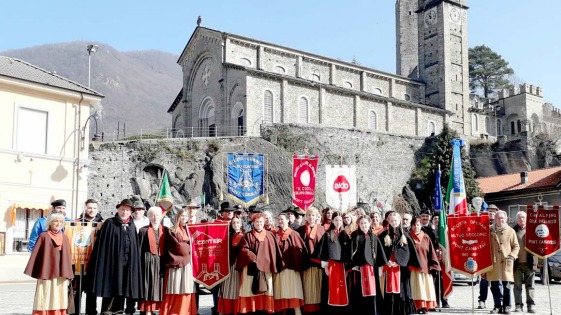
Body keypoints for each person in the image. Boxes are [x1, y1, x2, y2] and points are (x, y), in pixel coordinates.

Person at [87, 198, 142, 315]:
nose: (124, 212)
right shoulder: (110, 223)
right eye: (122, 209)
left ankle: (119, 309)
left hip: (127, 263)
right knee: (110, 284)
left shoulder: (132, 225)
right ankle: (107, 309)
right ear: (118, 209)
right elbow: (102, 246)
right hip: (111, 262)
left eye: (127, 210)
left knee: (123, 285)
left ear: (131, 212)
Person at [25, 212, 74, 315]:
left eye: (61, 221)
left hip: (61, 272)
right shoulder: (43, 236)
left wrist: (68, 271)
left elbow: (67, 256)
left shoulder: (64, 237)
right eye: (56, 221)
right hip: (46, 271)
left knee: (59, 293)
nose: (58, 223)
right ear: (50, 222)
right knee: (45, 293)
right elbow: (37, 255)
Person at [236, 213, 284, 314]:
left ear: (264, 223)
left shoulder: (270, 235)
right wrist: (255, 258)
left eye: (261, 222)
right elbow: (244, 250)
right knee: (249, 288)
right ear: (253, 223)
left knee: (267, 288)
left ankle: (266, 309)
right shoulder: (248, 235)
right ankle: (251, 309)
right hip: (251, 266)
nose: (259, 224)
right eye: (257, 222)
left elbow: (274, 250)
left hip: (267, 267)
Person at [379, 211, 421, 315]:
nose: (394, 222)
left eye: (396, 220)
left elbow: (408, 252)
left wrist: (399, 262)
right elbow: (380, 250)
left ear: (399, 221)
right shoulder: (383, 235)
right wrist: (386, 261)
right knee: (389, 293)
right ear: (389, 221)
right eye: (392, 221)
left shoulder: (405, 235)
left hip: (401, 268)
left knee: (402, 292)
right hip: (388, 267)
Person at [160, 207, 197, 315]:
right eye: (182, 216)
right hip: (176, 264)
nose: (184, 218)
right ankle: (172, 310)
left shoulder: (188, 230)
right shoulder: (171, 230)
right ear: (178, 217)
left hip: (187, 264)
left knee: (187, 286)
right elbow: (176, 247)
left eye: (186, 216)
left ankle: (185, 310)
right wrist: (190, 245)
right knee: (175, 286)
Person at [348, 215, 387, 315]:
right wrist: (352, 265)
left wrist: (379, 268)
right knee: (359, 292)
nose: (364, 225)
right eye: (361, 223)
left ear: (369, 224)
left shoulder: (374, 238)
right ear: (358, 225)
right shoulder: (355, 237)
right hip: (359, 270)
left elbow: (379, 255)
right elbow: (350, 253)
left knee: (374, 291)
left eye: (365, 223)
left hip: (372, 270)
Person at [313, 212, 351, 313]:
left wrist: (348, 269)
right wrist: (325, 266)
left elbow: (349, 254)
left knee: (342, 288)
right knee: (329, 289)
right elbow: (322, 251)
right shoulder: (327, 234)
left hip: (342, 267)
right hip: (331, 266)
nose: (338, 222)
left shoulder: (344, 235)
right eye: (336, 220)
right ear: (332, 221)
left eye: (340, 220)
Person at [72, 198, 104, 315]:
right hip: (79, 260)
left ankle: (91, 312)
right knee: (77, 291)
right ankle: (74, 312)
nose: (92, 210)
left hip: (94, 262)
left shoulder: (103, 224)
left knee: (92, 291)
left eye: (94, 208)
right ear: (85, 208)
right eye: (89, 207)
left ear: (98, 209)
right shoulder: (77, 222)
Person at [274, 213, 308, 315]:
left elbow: (301, 251)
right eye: (278, 219)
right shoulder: (275, 235)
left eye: (282, 219)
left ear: (288, 220)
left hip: (292, 269)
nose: (280, 221)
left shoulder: (294, 234)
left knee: (294, 293)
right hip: (280, 269)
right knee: (281, 293)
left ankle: (298, 312)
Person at [488, 210, 520, 314]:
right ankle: (497, 306)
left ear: (505, 219)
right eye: (498, 218)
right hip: (494, 262)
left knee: (507, 285)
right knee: (494, 285)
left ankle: (507, 306)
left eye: (502, 218)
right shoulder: (489, 230)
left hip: (506, 262)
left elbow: (516, 246)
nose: (500, 220)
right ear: (495, 219)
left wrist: (512, 256)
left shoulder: (511, 231)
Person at [138, 206, 167, 315]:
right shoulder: (143, 230)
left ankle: (158, 309)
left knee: (159, 287)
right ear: (149, 217)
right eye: (152, 215)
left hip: (161, 262)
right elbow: (139, 249)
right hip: (147, 262)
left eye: (157, 215)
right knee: (148, 287)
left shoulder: (165, 230)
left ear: (161, 216)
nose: (155, 218)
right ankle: (147, 310)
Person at [297, 207, 326, 314]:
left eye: (313, 215)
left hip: (318, 263)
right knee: (307, 287)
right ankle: (307, 309)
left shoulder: (321, 229)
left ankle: (318, 308)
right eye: (309, 215)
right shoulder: (301, 229)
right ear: (306, 216)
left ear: (316, 217)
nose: (311, 217)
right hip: (306, 264)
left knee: (318, 286)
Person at [409, 216, 440, 314]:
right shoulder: (408, 236)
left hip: (424, 266)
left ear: (420, 225)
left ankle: (424, 307)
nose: (416, 227)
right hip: (412, 268)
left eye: (417, 225)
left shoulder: (426, 237)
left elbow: (431, 252)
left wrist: (433, 265)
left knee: (424, 288)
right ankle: (415, 306)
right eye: (414, 225)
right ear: (411, 226)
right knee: (414, 288)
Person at [217, 217, 244, 315]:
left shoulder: (244, 236)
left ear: (241, 224)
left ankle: (237, 310)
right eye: (234, 223)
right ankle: (226, 310)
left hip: (240, 266)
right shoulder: (227, 236)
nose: (236, 225)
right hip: (229, 266)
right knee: (227, 289)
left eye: (237, 222)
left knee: (237, 290)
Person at [512, 211, 536, 313]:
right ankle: (518, 305)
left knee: (530, 286)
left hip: (530, 263)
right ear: (516, 219)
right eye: (519, 218)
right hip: (516, 263)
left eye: (523, 217)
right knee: (517, 286)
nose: (521, 219)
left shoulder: (533, 229)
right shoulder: (513, 230)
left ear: (526, 219)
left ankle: (531, 305)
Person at [479, 205, 501, 310]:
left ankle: (499, 301)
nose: (491, 213)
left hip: (496, 257)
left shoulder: (500, 225)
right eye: (489, 212)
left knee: (497, 281)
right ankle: (482, 300)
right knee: (484, 281)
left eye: (493, 212)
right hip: (484, 256)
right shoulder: (482, 224)